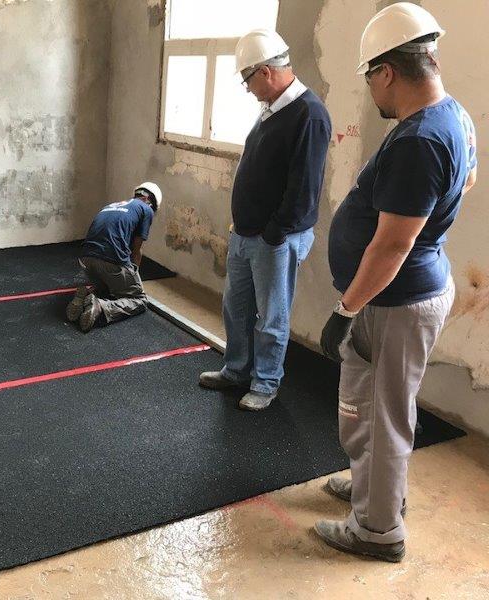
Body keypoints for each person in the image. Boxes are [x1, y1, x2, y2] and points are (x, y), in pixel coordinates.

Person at [315, 3, 478, 562]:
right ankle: (374, 491)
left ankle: (377, 529)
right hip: (409, 293)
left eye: (369, 77)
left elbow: (392, 245)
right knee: (372, 405)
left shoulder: (419, 141)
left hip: (397, 301)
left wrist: (345, 309)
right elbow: (467, 181)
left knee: (381, 416)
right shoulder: (454, 116)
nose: (371, 91)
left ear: (386, 71)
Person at [199, 29, 332, 411]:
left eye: (247, 80)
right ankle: (236, 370)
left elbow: (304, 188)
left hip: (274, 238)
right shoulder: (271, 108)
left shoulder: (309, 114)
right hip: (246, 234)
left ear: (265, 72)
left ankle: (265, 383)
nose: (247, 89)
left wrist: (275, 232)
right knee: (236, 308)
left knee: (271, 316)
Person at [66, 182, 162, 332]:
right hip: (110, 262)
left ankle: (87, 295)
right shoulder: (146, 209)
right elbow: (136, 250)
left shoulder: (111, 206)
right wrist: (133, 277)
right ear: (151, 201)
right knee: (139, 300)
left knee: (109, 289)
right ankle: (101, 307)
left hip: (86, 260)